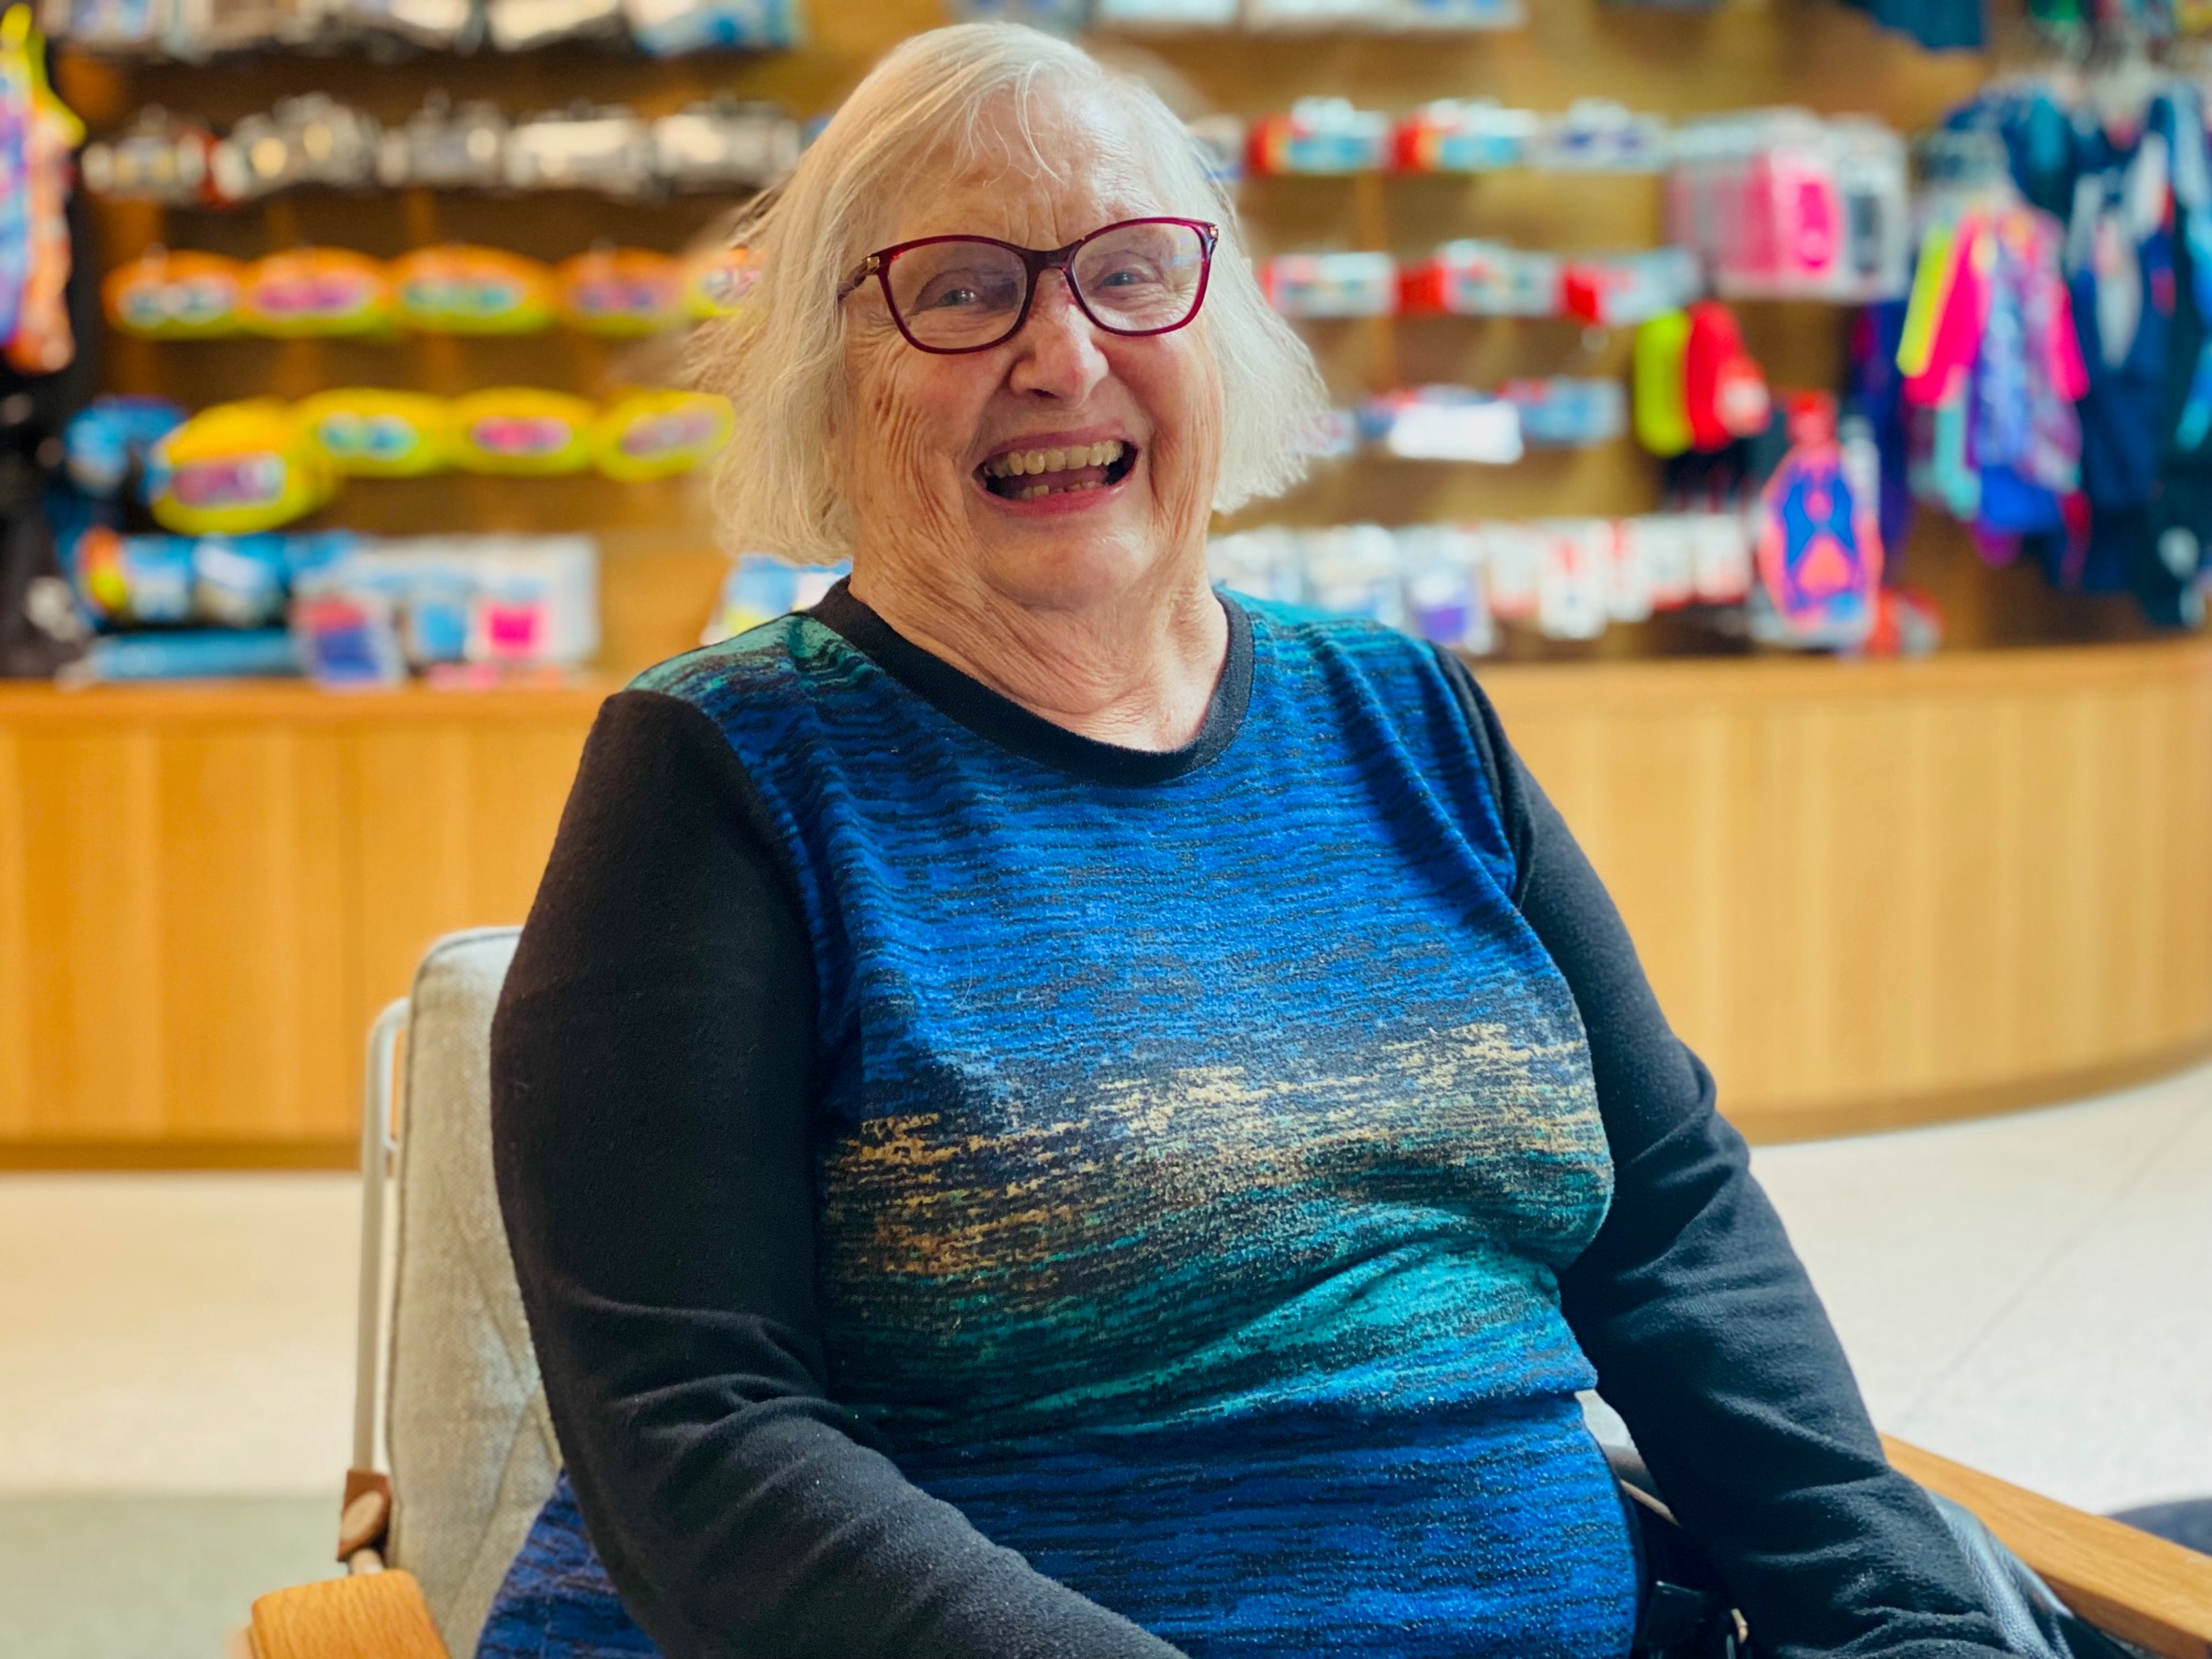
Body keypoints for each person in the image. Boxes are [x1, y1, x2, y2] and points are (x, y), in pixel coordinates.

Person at [484, 23, 2024, 1659]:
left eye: (1133, 274)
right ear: (830, 369)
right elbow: (693, 1435)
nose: (1064, 356)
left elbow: (1671, 1231)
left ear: (1218, 332)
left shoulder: (1408, 715)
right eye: (960, 288)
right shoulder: (726, 773)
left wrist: (1902, 1620)